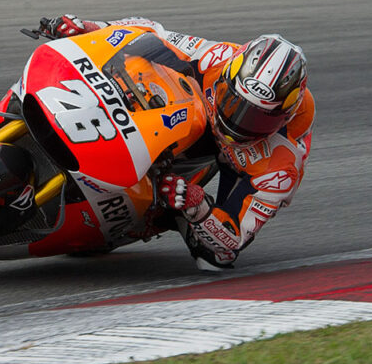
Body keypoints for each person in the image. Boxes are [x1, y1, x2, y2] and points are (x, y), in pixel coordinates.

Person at [42, 14, 314, 271]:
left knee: (215, 259)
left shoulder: (282, 165)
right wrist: (89, 28)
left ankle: (154, 214)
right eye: (234, 102)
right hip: (197, 112)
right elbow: (150, 32)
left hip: (241, 162)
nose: (238, 121)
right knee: (140, 67)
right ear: (228, 76)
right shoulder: (217, 58)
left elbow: (233, 239)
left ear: (285, 116)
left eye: (257, 119)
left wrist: (198, 207)